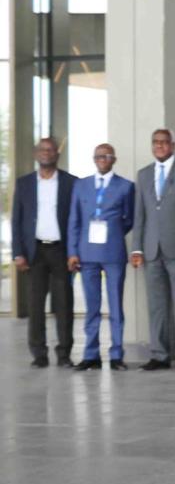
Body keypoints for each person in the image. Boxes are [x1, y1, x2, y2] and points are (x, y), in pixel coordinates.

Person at [131, 128, 175, 371]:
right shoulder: (144, 174)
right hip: (151, 250)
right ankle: (159, 355)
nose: (159, 146)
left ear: (173, 145)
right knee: (156, 305)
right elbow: (140, 215)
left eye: (164, 142)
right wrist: (137, 248)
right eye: (155, 142)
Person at [68, 144, 134, 371]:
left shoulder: (126, 187)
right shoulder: (81, 185)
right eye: (98, 156)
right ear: (93, 159)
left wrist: (113, 233)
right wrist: (72, 251)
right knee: (91, 306)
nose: (102, 159)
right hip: (86, 254)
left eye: (106, 156)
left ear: (113, 159)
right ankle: (91, 355)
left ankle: (116, 355)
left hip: (113, 252)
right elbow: (74, 221)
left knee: (116, 305)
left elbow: (129, 220)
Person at [12, 138, 77, 368]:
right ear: (36, 154)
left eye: (50, 150)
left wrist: (74, 252)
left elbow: (75, 220)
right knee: (35, 305)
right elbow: (17, 220)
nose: (46, 153)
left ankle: (64, 354)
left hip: (61, 251)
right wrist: (18, 252)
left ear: (56, 154)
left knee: (64, 305)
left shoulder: (71, 183)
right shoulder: (24, 183)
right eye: (42, 150)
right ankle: (39, 354)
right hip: (35, 252)